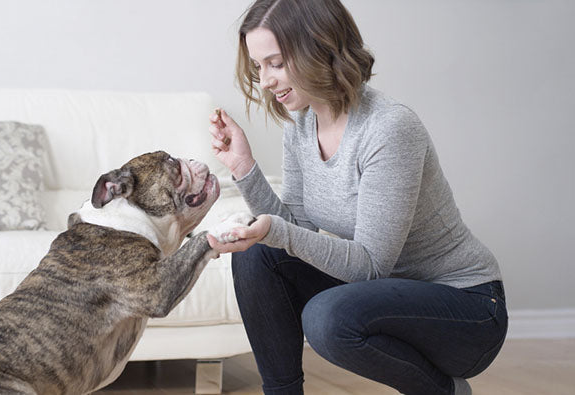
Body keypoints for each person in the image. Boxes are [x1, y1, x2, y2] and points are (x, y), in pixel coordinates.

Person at [205, 0, 507, 394]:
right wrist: (244, 167)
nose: (264, 81)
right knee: (260, 255)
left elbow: (370, 266)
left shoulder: (389, 128)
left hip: (466, 309)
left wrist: (276, 231)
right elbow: (293, 232)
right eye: (258, 66)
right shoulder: (301, 124)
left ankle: (442, 390)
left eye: (276, 63)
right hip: (385, 299)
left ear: (319, 46)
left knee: (328, 317)